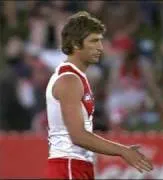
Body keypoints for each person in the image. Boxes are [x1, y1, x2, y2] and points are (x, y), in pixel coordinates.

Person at [44, 11, 153, 179]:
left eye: (100, 41)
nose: (100, 48)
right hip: (69, 166)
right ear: (75, 44)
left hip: (77, 164)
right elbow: (78, 135)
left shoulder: (79, 77)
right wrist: (122, 151)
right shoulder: (69, 80)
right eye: (94, 41)